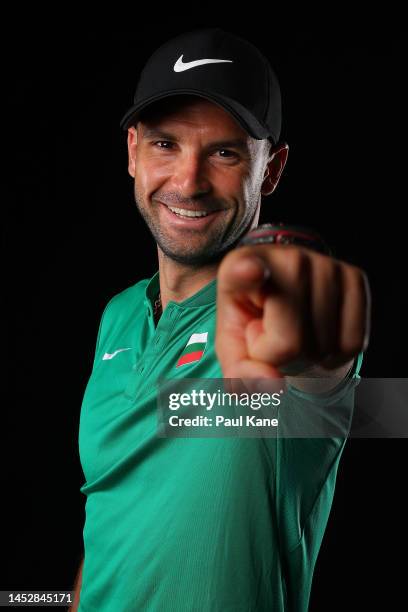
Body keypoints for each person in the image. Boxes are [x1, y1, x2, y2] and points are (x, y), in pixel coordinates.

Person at [71, 27, 370, 612]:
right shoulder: (119, 314)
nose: (188, 181)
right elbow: (109, 512)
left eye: (225, 153)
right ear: (132, 151)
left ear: (272, 170)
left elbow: (315, 369)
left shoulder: (274, 316)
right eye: (165, 145)